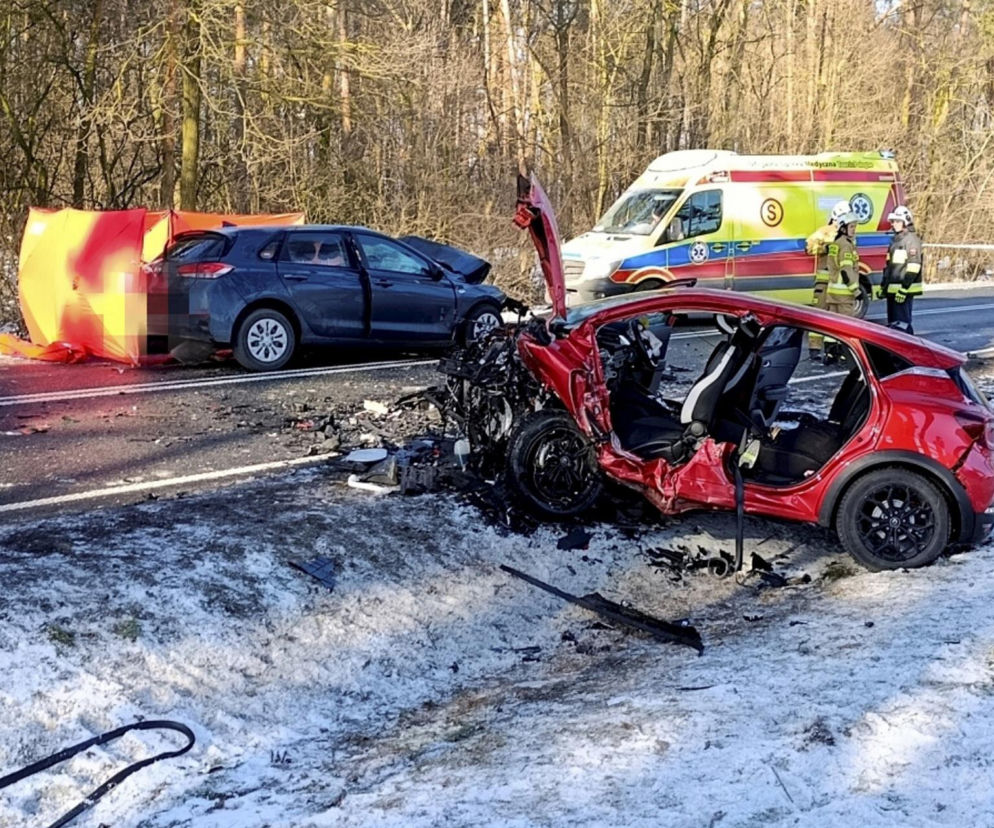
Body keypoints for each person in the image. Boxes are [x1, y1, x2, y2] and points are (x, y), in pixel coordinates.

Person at [806, 200, 852, 360]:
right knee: (819, 313)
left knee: (835, 317)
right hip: (824, 281)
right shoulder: (824, 232)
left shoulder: (847, 232)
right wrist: (825, 248)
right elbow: (809, 246)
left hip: (838, 283)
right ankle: (814, 349)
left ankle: (834, 350)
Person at [822, 211, 861, 363]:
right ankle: (846, 355)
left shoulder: (835, 243)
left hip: (832, 292)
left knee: (832, 327)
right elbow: (846, 270)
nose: (854, 230)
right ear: (843, 228)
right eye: (851, 227)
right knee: (846, 327)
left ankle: (831, 354)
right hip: (844, 294)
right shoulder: (846, 246)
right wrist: (855, 290)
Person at [880, 205, 923, 334]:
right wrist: (884, 287)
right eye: (893, 221)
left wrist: (904, 289)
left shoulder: (911, 241)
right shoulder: (895, 241)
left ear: (906, 221)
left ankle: (908, 351)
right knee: (894, 327)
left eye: (897, 221)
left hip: (903, 291)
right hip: (893, 291)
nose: (894, 224)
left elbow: (914, 266)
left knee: (903, 325)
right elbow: (890, 267)